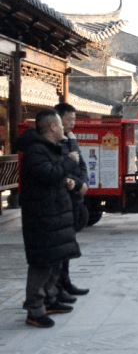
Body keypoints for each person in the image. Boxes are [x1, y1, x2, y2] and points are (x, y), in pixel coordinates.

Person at [15, 109, 81, 328]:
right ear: (53, 128)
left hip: (55, 214)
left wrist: (68, 181)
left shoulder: (50, 149)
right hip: (42, 217)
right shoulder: (36, 151)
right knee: (41, 264)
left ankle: (51, 299)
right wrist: (70, 162)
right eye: (62, 124)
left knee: (55, 260)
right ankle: (34, 309)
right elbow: (48, 174)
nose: (65, 128)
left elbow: (55, 176)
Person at [54, 103, 89, 301]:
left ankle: (65, 282)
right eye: (69, 119)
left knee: (68, 244)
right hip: (64, 198)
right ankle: (58, 287)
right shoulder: (57, 143)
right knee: (61, 246)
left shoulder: (71, 139)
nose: (72, 123)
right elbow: (62, 170)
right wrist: (76, 184)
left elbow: (80, 165)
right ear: (57, 120)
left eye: (74, 119)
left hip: (75, 197)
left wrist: (82, 182)